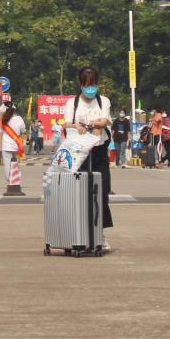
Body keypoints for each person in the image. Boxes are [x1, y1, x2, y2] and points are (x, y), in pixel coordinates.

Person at [62, 66, 114, 249]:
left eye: (93, 84)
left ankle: (100, 234)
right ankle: (79, 234)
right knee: (80, 194)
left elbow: (104, 121)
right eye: (87, 85)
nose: (90, 88)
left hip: (99, 152)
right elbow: (67, 123)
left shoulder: (103, 101)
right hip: (79, 152)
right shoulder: (72, 103)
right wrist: (77, 126)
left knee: (102, 192)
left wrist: (93, 123)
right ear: (80, 84)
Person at [0, 100, 26, 178]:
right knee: (17, 164)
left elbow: (0, 133)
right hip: (17, 145)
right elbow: (23, 130)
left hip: (6, 146)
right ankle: (17, 179)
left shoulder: (2, 121)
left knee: (7, 166)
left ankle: (9, 179)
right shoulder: (19, 119)